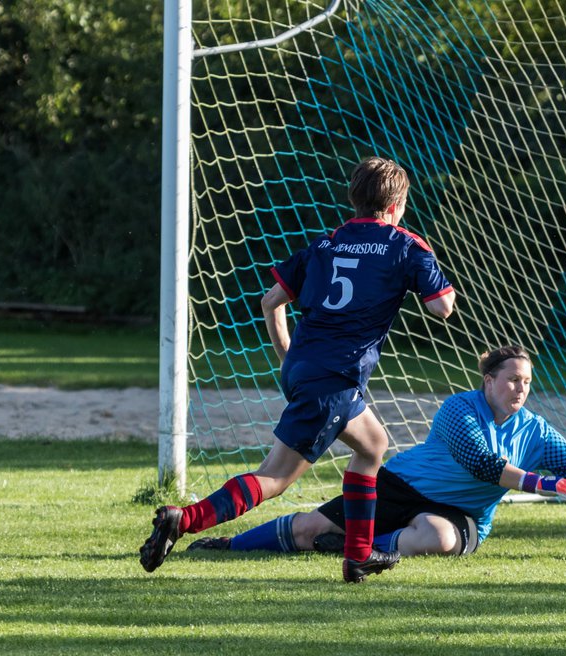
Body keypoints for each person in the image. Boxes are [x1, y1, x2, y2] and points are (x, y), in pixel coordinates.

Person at [140, 157, 456, 582]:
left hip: (305, 366)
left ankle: (358, 555)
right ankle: (185, 518)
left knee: (373, 445)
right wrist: (427, 266)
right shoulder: (406, 246)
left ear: (354, 199)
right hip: (335, 378)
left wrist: (287, 357)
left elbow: (270, 302)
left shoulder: (325, 245)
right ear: (398, 205)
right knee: (274, 477)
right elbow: (441, 307)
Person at [185, 345, 566, 570]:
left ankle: (368, 546)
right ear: (488, 380)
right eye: (511, 379)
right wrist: (545, 486)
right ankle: (229, 547)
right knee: (308, 530)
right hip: (401, 486)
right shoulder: (458, 409)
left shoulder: (536, 430)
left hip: (459, 514)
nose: (520, 389)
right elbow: (481, 464)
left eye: (526, 382)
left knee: (440, 538)